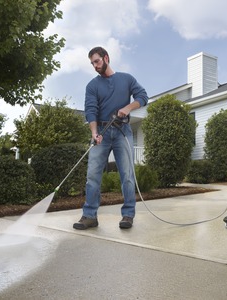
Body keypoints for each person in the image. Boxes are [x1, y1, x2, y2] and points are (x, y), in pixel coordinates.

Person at [73, 46, 149, 230]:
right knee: (92, 176)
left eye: (97, 61)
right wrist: (94, 133)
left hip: (123, 131)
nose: (95, 66)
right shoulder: (92, 85)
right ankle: (90, 216)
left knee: (127, 176)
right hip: (102, 132)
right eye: (92, 63)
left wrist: (128, 108)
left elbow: (143, 96)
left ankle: (128, 215)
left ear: (106, 58)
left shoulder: (126, 79)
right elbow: (90, 111)